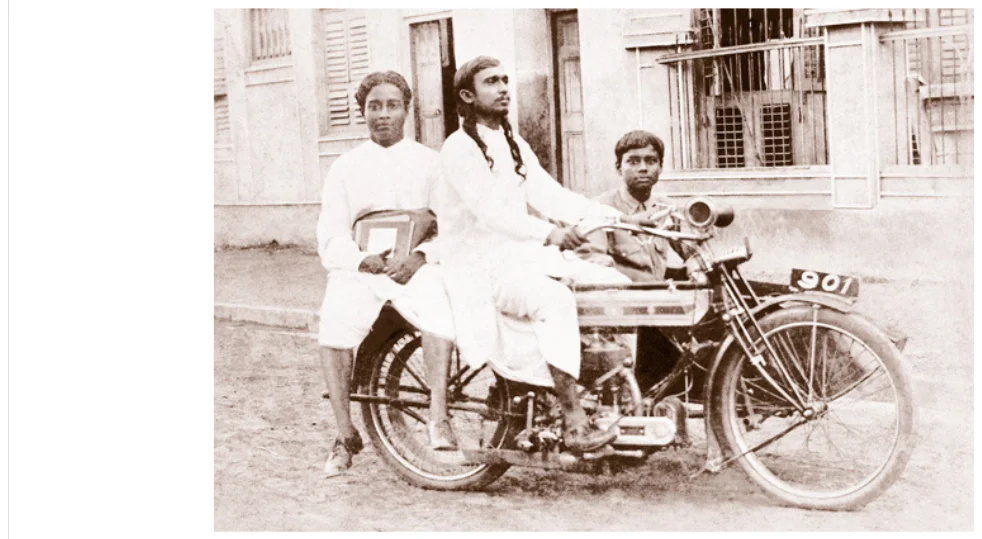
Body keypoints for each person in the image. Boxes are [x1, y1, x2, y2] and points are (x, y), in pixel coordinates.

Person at [436, 56, 640, 453]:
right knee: (556, 300)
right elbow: (492, 215)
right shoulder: (458, 148)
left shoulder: (513, 142)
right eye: (492, 82)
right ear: (467, 95)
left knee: (615, 284)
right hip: (481, 268)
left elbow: (551, 194)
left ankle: (612, 400)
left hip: (521, 256)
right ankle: (573, 419)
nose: (503, 88)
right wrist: (549, 233)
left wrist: (614, 217)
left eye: (505, 79)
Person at [316, 71, 458, 478]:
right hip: (365, 268)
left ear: (407, 110)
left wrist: (419, 256)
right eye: (374, 106)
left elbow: (451, 226)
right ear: (363, 112)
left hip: (415, 267)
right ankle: (345, 434)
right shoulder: (345, 167)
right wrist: (362, 260)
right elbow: (330, 233)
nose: (383, 114)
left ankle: (438, 416)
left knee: (439, 308)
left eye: (391, 105)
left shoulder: (432, 163)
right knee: (335, 321)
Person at [584, 130, 685, 282]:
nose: (643, 168)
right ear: (618, 168)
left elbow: (693, 252)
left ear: (661, 167)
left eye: (651, 161)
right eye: (633, 161)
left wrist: (695, 268)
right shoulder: (601, 208)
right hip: (623, 297)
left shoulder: (667, 208)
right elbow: (595, 262)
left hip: (661, 297)